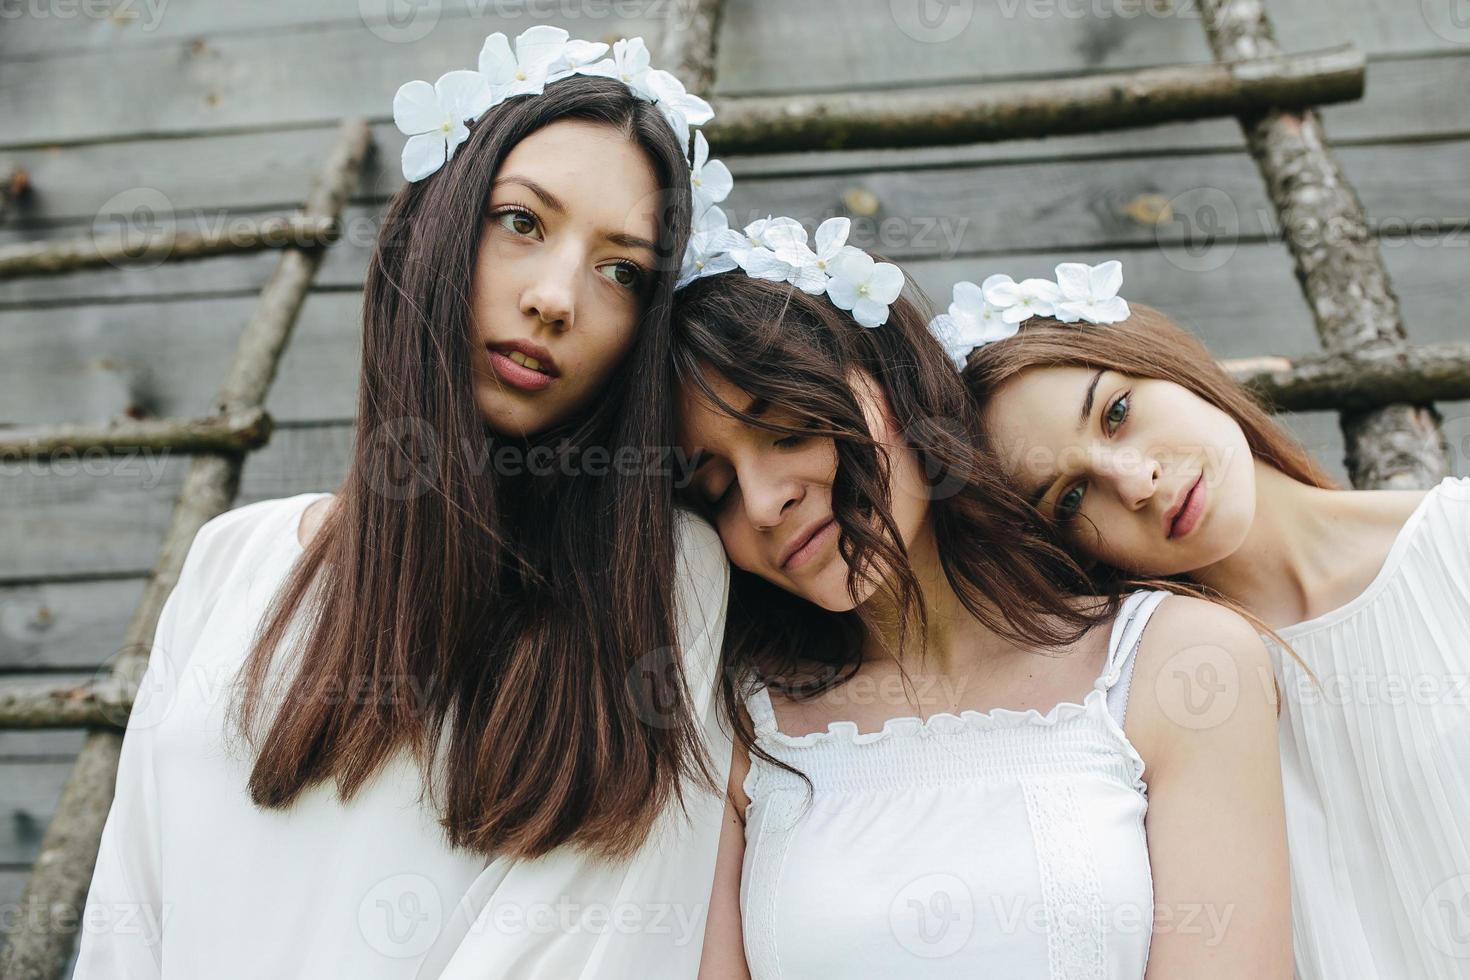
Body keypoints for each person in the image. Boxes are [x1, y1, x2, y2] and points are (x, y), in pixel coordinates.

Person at [74, 27, 734, 979]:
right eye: (522, 222)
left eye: (621, 269)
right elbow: (124, 922)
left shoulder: (660, 580)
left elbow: (601, 937)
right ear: (437, 228)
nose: (555, 298)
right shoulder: (231, 559)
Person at [669, 224, 1291, 977]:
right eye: (717, 488)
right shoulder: (737, 728)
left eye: (789, 428)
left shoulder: (1172, 663)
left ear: (898, 382)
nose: (764, 503)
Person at [955, 259, 1470, 978]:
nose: (1136, 483)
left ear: (1163, 360)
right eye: (1071, 498)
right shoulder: (1131, 710)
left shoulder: (1457, 546)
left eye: (1117, 413)